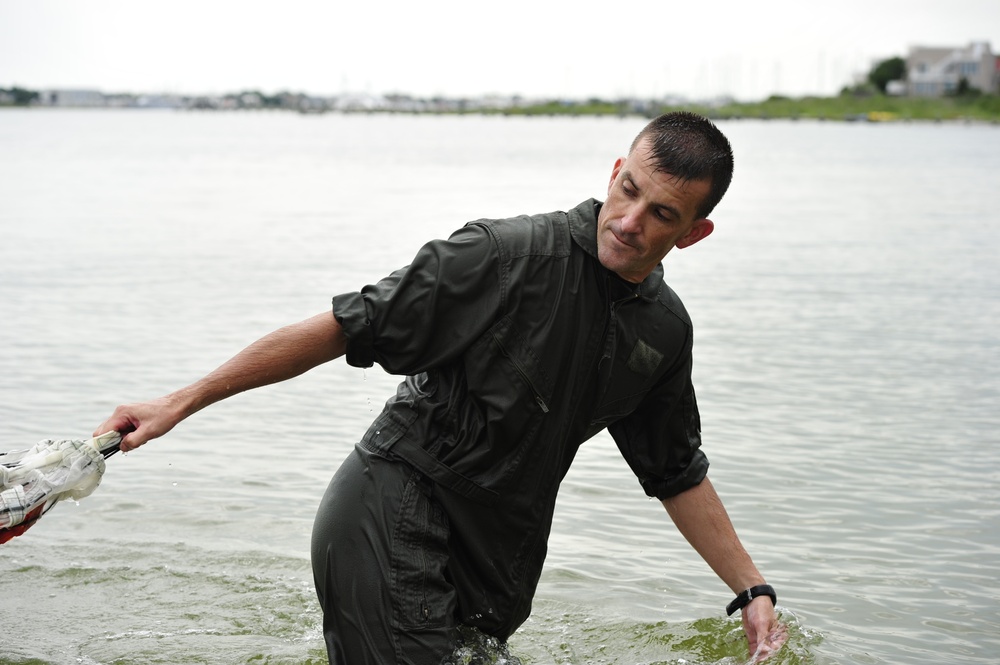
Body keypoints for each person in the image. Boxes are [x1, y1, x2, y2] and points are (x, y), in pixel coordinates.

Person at [96, 111, 787, 664]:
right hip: (391, 507)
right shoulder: (503, 255)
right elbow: (343, 326)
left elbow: (675, 470)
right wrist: (179, 401)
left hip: (493, 563)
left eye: (662, 214)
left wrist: (750, 589)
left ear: (694, 234)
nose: (630, 221)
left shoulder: (663, 331)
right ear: (614, 172)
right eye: (629, 190)